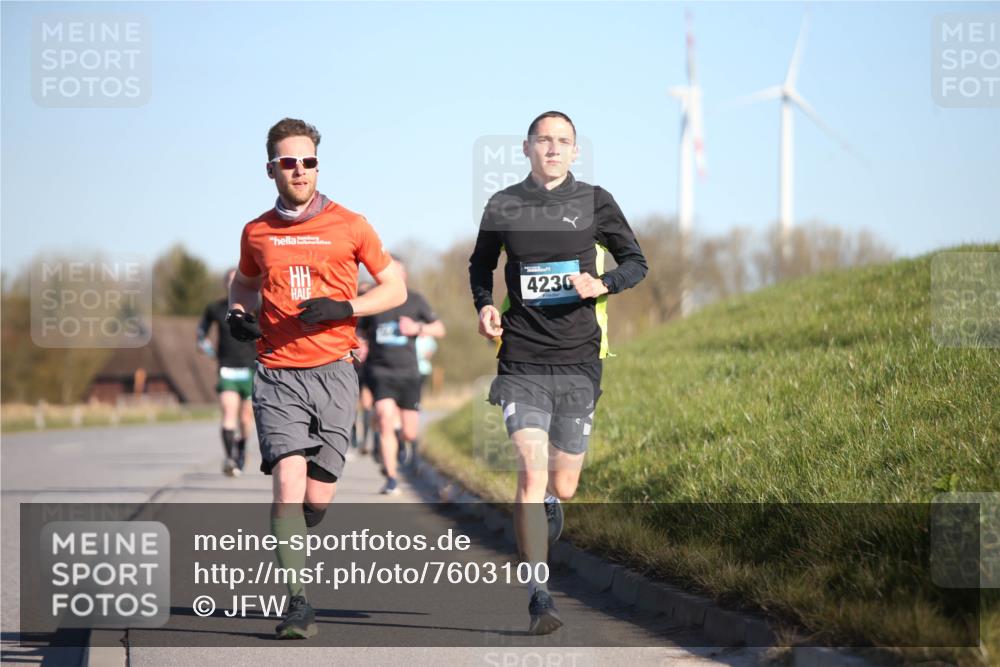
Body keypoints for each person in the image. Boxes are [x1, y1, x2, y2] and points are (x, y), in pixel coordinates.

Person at [468, 111, 648, 635]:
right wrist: (484, 306)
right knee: (529, 466)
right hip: (521, 356)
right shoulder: (504, 204)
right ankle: (539, 594)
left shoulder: (595, 200)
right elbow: (480, 265)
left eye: (563, 141)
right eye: (543, 140)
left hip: (578, 359)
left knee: (563, 484)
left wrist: (605, 284)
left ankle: (550, 500)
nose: (552, 148)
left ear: (575, 152)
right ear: (526, 148)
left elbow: (636, 262)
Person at [227, 118, 405, 639]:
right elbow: (242, 283)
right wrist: (240, 314)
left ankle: (301, 530)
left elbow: (392, 288)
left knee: (317, 496)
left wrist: (345, 305)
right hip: (277, 372)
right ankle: (298, 603)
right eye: (289, 162)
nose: (299, 170)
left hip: (335, 372)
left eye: (308, 161)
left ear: (317, 167)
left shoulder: (351, 224)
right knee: (286, 480)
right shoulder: (256, 232)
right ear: (271, 169)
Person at [357, 258, 445, 494]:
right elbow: (359, 332)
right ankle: (392, 478)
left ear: (404, 275)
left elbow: (439, 329)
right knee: (384, 418)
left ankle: (398, 437)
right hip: (380, 371)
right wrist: (360, 344)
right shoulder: (373, 301)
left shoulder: (415, 300)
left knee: (409, 431)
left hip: (409, 373)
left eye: (396, 272)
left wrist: (417, 328)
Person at [197, 268, 258, 476]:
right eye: (229, 281)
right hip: (227, 367)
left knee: (245, 417)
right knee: (228, 411)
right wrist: (203, 343)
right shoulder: (215, 308)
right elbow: (201, 331)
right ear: (225, 284)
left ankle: (242, 445)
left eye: (236, 281)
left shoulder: (255, 306)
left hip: (250, 367)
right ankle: (230, 458)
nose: (233, 284)